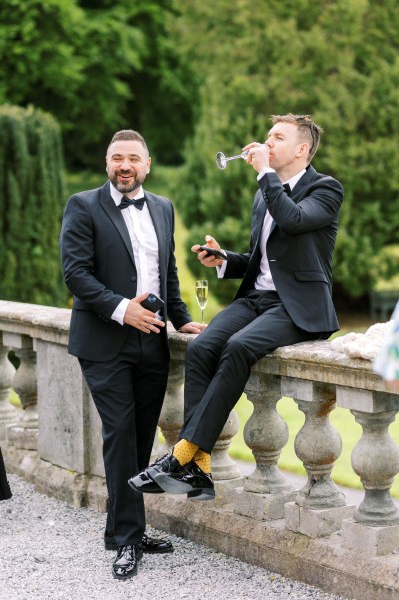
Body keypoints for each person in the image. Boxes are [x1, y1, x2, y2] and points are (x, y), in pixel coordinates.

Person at [130, 113, 344, 501]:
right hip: (256, 299)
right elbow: (266, 260)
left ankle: (182, 454)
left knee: (239, 347)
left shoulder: (326, 189)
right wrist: (226, 259)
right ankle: (200, 468)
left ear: (301, 149)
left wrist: (266, 175)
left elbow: (294, 221)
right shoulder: (264, 194)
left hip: (299, 307)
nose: (267, 142)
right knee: (201, 348)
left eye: (277, 137)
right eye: (268, 135)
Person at [60, 129, 204, 580]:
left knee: (141, 438)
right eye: (117, 158)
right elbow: (75, 274)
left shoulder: (162, 207)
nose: (126, 166)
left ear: (147, 164)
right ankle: (127, 540)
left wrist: (180, 319)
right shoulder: (83, 206)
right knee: (121, 434)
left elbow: (169, 271)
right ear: (107, 164)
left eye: (134, 159)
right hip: (104, 341)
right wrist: (124, 311)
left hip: (153, 340)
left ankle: (123, 530)